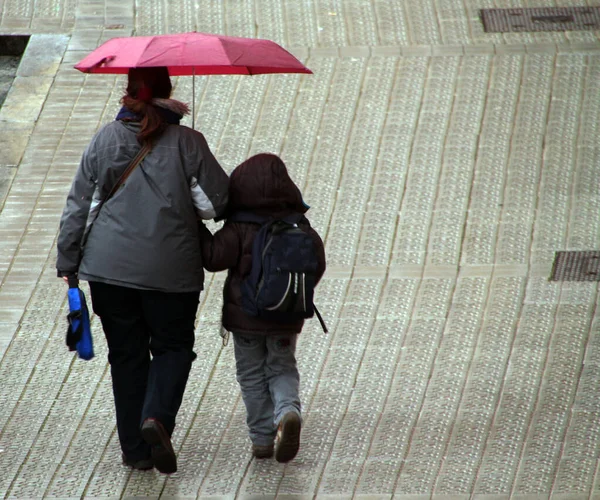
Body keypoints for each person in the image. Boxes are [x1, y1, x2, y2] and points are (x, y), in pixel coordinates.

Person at [56, 67, 229, 474]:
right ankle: (156, 419)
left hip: (109, 273)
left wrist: (68, 261)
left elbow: (80, 206)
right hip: (172, 273)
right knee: (172, 348)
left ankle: (135, 451)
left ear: (127, 91)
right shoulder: (188, 142)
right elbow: (215, 205)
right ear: (169, 93)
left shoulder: (104, 139)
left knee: (127, 355)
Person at [199, 153, 326, 462]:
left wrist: (195, 226)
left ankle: (262, 439)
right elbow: (316, 266)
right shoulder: (299, 226)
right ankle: (286, 414)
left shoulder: (239, 227)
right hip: (286, 317)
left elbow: (213, 258)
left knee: (251, 373)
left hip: (247, 319)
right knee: (281, 366)